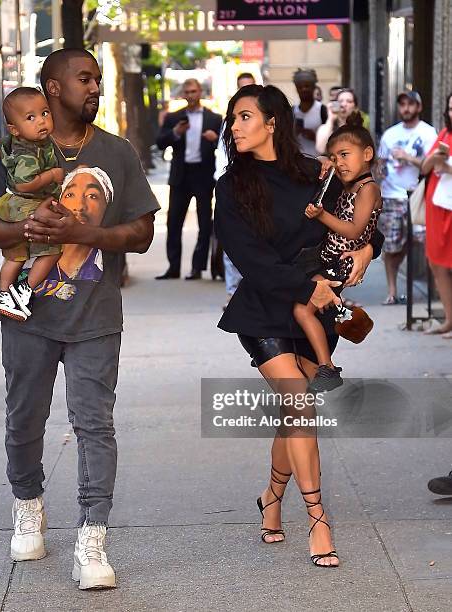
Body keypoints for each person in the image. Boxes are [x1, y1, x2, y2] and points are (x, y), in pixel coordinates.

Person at [0, 48, 160, 590]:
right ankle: (27, 502)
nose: (94, 87)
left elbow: (141, 234)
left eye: (98, 79)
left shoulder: (116, 153)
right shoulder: (13, 152)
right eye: (84, 79)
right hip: (27, 316)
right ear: (52, 87)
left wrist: (83, 235)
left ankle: (92, 540)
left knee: (95, 423)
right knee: (24, 417)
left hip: (96, 316)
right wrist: (32, 233)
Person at [214, 84, 384, 567]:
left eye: (245, 116)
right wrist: (303, 286)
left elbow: (364, 218)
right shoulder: (230, 187)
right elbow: (249, 258)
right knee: (301, 407)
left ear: (272, 123)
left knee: (294, 416)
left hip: (318, 312)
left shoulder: (318, 173)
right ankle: (318, 518)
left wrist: (368, 249)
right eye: (233, 117)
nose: (235, 125)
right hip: (266, 307)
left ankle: (271, 498)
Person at [296, 113, 382, 391]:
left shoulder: (368, 189)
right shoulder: (351, 185)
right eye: (334, 157)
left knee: (303, 310)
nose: (339, 163)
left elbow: (355, 231)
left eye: (345, 154)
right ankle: (343, 315)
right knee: (308, 304)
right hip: (327, 256)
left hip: (340, 261)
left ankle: (327, 367)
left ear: (367, 154)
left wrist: (321, 216)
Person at [0, 88, 64, 321]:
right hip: (26, 202)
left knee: (15, 257)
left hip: (11, 203)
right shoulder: (29, 152)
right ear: (15, 129)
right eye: (31, 118)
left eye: (45, 113)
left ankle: (2, 295)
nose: (41, 121)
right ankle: (23, 291)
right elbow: (25, 184)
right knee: (52, 251)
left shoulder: (10, 141)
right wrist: (52, 175)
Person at [155, 78, 222, 280]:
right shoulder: (174, 117)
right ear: (183, 94)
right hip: (180, 176)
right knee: (174, 222)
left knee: (204, 223)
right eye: (187, 92)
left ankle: (197, 267)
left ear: (200, 92)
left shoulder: (214, 118)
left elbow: (228, 144)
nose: (191, 95)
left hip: (203, 175)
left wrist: (215, 138)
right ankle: (173, 267)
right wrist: (175, 132)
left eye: (194, 91)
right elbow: (159, 142)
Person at [377, 91, 437, 304]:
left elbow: (433, 165)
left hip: (418, 195)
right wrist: (381, 173)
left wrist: (408, 157)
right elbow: (380, 165)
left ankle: (434, 294)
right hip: (392, 196)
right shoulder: (389, 135)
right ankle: (392, 292)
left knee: (427, 244)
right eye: (402, 104)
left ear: (419, 107)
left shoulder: (429, 133)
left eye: (410, 104)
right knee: (392, 248)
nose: (406, 108)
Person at [214, 72, 256, 309]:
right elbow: (222, 154)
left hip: (259, 187)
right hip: (234, 186)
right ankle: (233, 293)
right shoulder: (230, 122)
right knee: (231, 243)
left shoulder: (268, 120)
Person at [420, 92, 452, 337]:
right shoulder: (443, 134)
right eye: (450, 109)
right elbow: (424, 168)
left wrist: (448, 166)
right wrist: (434, 157)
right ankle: (449, 319)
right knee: (435, 263)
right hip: (437, 205)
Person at [315, 88, 369, 155]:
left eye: (349, 101)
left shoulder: (361, 130)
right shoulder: (326, 128)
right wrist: (331, 118)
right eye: (340, 101)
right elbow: (320, 149)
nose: (344, 104)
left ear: (355, 107)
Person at [292, 68, 327, 157]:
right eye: (300, 87)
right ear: (296, 89)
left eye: (307, 86)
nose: (304, 89)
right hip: (297, 161)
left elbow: (331, 139)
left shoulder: (322, 110)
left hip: (318, 161)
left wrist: (315, 137)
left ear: (313, 87)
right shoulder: (292, 111)